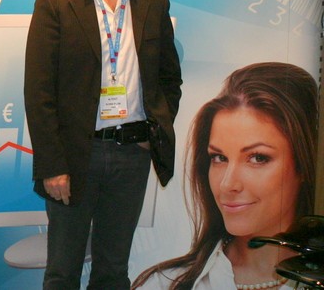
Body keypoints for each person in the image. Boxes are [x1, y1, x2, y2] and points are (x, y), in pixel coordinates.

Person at [24, 0, 183, 290]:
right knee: (63, 271)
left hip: (132, 155)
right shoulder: (55, 0)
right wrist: (52, 165)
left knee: (113, 271)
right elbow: (39, 90)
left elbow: (169, 79)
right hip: (76, 156)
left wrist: (154, 130)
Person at [131, 61, 318, 290]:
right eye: (219, 158)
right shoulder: (162, 285)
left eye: (258, 158)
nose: (228, 184)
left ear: (304, 163)